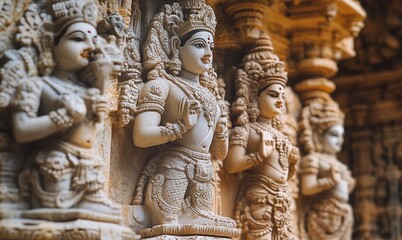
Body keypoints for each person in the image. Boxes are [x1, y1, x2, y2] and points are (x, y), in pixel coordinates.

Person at [131, 1, 237, 237]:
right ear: (176, 45)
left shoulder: (212, 97)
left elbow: (218, 154)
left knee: (219, 227)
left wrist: (221, 134)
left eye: (211, 46)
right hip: (172, 168)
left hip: (204, 172)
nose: (208, 53)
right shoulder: (162, 86)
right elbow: (140, 136)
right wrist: (179, 127)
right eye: (199, 45)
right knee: (170, 227)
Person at [11, 0, 121, 218]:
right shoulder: (37, 85)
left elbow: (91, 132)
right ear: (50, 41)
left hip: (89, 169)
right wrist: (62, 116)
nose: (90, 47)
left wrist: (98, 95)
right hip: (55, 165)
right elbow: (21, 130)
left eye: (93, 41)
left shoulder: (83, 89)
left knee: (109, 220)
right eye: (78, 39)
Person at [224, 35, 299, 240]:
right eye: (273, 95)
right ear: (255, 95)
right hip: (260, 199)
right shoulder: (246, 130)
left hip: (282, 200)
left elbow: (284, 174)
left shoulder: (281, 135)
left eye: (282, 96)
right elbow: (231, 165)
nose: (280, 101)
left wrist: (293, 164)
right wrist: (258, 156)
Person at [299, 99, 355, 240]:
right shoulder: (314, 159)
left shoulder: (339, 164)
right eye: (334, 135)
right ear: (319, 136)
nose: (340, 140)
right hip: (323, 215)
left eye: (342, 136)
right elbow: (307, 188)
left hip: (343, 215)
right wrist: (328, 182)